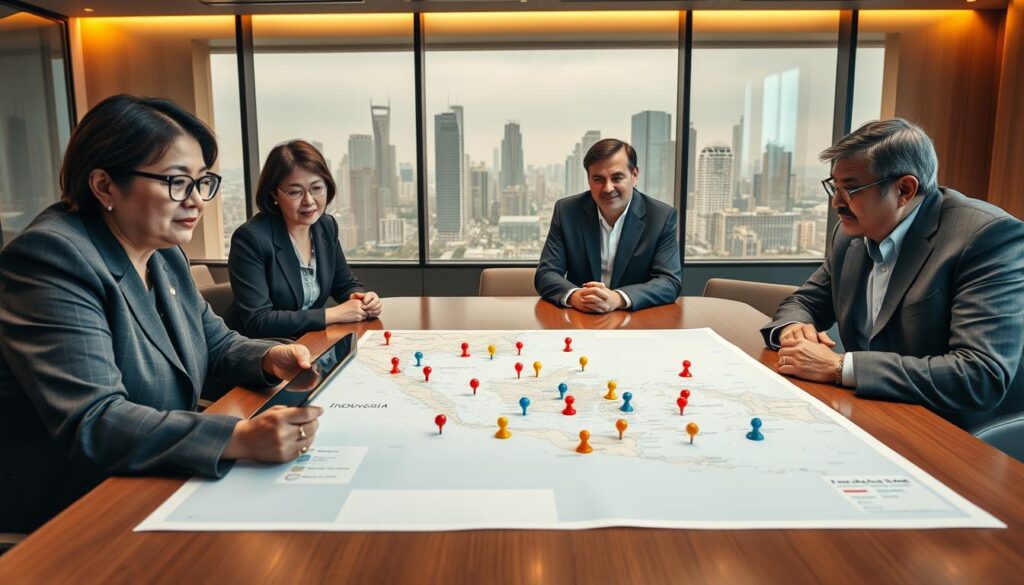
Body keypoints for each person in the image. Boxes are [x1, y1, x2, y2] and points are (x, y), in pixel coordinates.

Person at [0, 95, 323, 533]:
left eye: (202, 182)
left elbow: (215, 341)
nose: (196, 201)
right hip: (74, 505)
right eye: (176, 182)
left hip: (156, 478)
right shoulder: (53, 257)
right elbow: (95, 420)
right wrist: (237, 437)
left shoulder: (162, 253)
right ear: (105, 186)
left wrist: (269, 358)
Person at [762, 118, 1024, 429]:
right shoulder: (850, 236)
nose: (836, 202)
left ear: (904, 189)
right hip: (871, 414)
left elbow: (979, 376)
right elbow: (804, 302)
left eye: (850, 189)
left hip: (954, 433)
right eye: (834, 186)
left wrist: (839, 366)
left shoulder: (986, 237)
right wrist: (795, 327)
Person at [226, 140, 381, 339]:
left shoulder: (325, 226)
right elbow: (258, 321)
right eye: (295, 192)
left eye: (316, 188)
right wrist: (332, 314)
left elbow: (345, 284)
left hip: (310, 343)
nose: (309, 200)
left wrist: (361, 299)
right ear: (274, 193)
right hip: (260, 353)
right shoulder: (251, 239)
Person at [535, 138, 682, 312]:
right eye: (598, 179)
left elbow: (669, 282)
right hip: (581, 318)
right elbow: (546, 273)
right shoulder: (567, 211)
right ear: (588, 179)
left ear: (634, 175)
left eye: (617, 178)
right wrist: (575, 296)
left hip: (635, 322)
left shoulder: (661, 217)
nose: (607, 188)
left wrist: (618, 298)